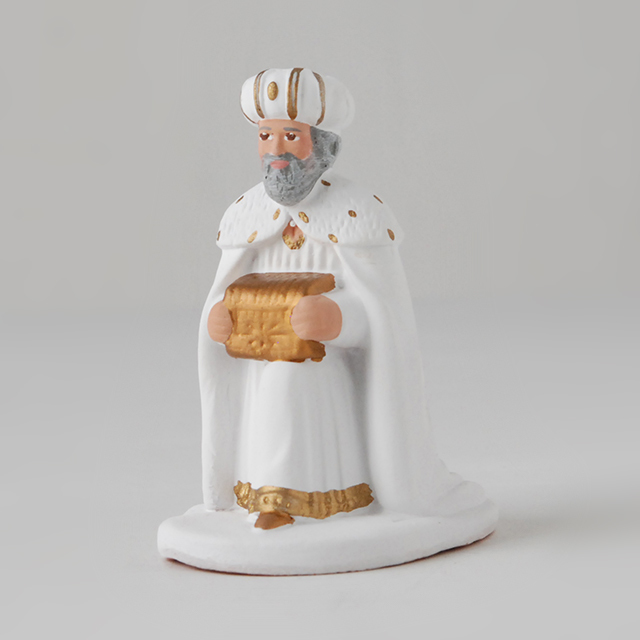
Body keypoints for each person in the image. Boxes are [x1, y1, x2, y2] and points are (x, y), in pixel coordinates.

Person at [198, 68, 489, 531]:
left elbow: (382, 314)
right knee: (271, 391)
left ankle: (309, 501)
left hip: (325, 374)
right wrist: (217, 319)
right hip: (258, 367)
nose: (275, 150)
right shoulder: (246, 215)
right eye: (265, 135)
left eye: (291, 135)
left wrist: (338, 318)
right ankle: (262, 497)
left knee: (289, 383)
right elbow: (227, 290)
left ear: (324, 145)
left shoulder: (357, 212)